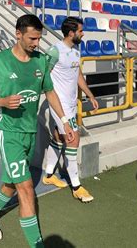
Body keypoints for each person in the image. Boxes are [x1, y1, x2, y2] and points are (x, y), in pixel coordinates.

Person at [0, 14, 74, 245]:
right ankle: (37, 244)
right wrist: (2, 102)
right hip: (8, 131)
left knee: (12, 184)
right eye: (32, 38)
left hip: (30, 131)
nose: (36, 43)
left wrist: (64, 120)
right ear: (18, 34)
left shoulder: (40, 61)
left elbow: (50, 92)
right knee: (26, 186)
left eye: (39, 38)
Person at [43, 17, 99, 202]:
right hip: (60, 105)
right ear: (71, 33)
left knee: (59, 138)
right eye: (80, 31)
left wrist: (90, 95)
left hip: (71, 104)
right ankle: (76, 186)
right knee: (73, 139)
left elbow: (78, 75)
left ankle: (49, 175)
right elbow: (44, 77)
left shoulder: (75, 51)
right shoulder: (54, 51)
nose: (83, 34)